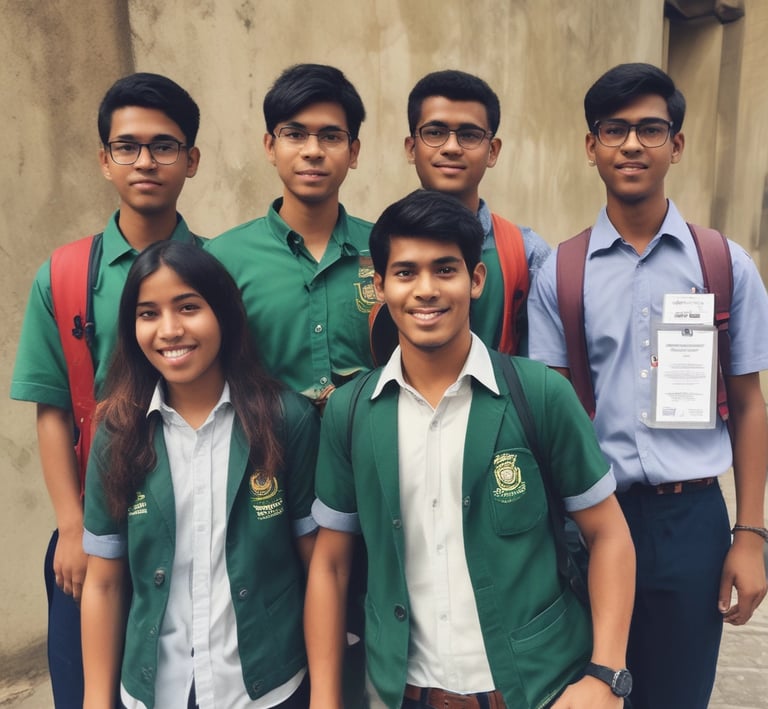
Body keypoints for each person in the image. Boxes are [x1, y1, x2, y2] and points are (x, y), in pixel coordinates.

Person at [305, 189, 636, 709]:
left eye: (445, 270)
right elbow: (331, 565)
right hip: (407, 694)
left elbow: (608, 533)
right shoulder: (351, 413)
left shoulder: (540, 393)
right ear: (380, 287)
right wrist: (325, 700)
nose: (426, 290)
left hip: (538, 690)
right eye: (406, 272)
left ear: (475, 279)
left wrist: (606, 673)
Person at [527, 62, 768, 709]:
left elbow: (747, 403)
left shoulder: (722, 263)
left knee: (678, 695)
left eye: (650, 129)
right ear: (592, 146)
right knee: (594, 691)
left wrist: (750, 533)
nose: (632, 144)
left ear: (676, 145)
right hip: (596, 518)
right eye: (614, 129)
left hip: (692, 520)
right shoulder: (562, 272)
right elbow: (553, 413)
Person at [9, 72, 203, 707]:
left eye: (164, 145)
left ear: (191, 160)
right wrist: (71, 525)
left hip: (193, 515)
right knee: (88, 689)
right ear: (104, 159)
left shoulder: (218, 270)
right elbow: (54, 410)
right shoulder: (65, 274)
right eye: (128, 146)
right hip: (97, 522)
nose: (145, 161)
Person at [80, 241, 319, 709]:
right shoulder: (117, 432)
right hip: (156, 690)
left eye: (189, 307)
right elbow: (103, 582)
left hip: (269, 689)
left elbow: (320, 569)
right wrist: (95, 701)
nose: (170, 330)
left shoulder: (284, 419)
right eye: (148, 313)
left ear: (224, 314)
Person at [205, 63, 375, 410]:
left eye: (331, 136)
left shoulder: (385, 248)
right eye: (295, 134)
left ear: (353, 152)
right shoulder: (223, 257)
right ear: (270, 146)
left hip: (369, 451)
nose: (312, 150)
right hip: (266, 455)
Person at [390, 69, 551, 356]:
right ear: (411, 147)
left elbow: (543, 365)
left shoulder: (528, 254)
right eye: (435, 133)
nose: (451, 147)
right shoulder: (378, 246)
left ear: (492, 151)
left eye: (469, 135)